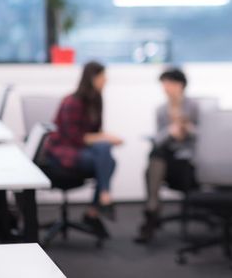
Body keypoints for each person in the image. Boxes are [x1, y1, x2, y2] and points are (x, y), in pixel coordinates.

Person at [44, 61, 123, 235]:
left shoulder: (97, 100)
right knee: (107, 156)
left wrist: (105, 137)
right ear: (93, 78)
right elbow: (75, 138)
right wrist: (105, 138)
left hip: (84, 150)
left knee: (105, 151)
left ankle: (100, 200)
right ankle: (99, 204)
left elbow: (96, 132)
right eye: (103, 76)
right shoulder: (72, 101)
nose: (106, 80)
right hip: (63, 151)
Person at [134, 68, 199, 244]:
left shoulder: (194, 106)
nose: (166, 87)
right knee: (156, 155)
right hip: (166, 156)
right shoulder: (161, 110)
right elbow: (158, 139)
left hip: (187, 159)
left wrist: (187, 129)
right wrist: (170, 131)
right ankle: (153, 206)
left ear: (180, 85)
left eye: (169, 83)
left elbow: (204, 136)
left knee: (155, 161)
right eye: (164, 83)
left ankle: (151, 212)